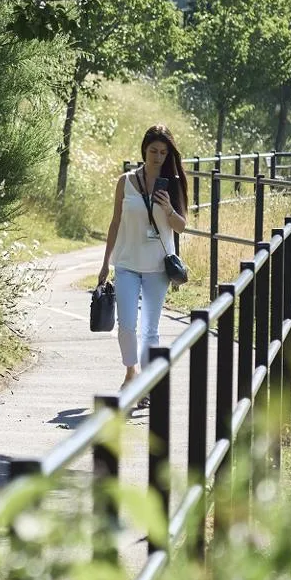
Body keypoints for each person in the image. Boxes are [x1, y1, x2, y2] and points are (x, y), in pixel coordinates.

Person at [97, 125, 189, 396]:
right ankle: (131, 371)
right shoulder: (125, 182)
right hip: (126, 262)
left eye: (163, 152)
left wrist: (168, 209)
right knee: (126, 324)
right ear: (144, 151)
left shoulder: (173, 183)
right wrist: (105, 264)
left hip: (158, 266)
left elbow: (181, 226)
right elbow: (115, 223)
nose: (158, 156)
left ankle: (146, 385)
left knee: (150, 328)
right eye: (153, 151)